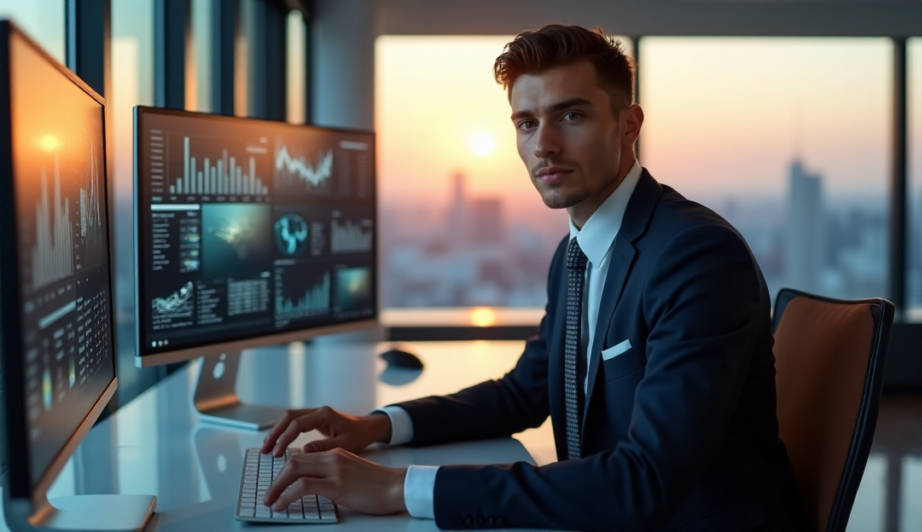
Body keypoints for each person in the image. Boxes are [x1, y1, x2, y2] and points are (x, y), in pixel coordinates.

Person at [261, 24, 799, 531]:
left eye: (570, 116)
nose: (543, 145)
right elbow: (526, 392)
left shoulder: (694, 255)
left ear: (629, 125)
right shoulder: (577, 252)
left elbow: (646, 481)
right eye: (526, 123)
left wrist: (399, 489)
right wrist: (377, 425)